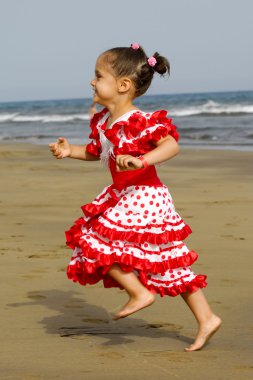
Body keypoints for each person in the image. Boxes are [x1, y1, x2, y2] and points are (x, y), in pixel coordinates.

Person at [49, 44, 221, 351]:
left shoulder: (140, 119)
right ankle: (207, 318)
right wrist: (69, 151)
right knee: (167, 263)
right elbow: (96, 153)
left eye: (98, 75)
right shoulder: (104, 122)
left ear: (123, 85)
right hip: (124, 194)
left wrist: (142, 161)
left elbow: (171, 146)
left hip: (145, 194)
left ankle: (140, 293)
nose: (92, 81)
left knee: (93, 241)